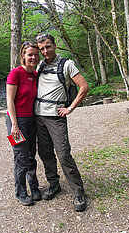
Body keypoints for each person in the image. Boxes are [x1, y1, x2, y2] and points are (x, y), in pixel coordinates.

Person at [35, 34, 89, 211]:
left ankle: (78, 191)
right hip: (39, 116)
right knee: (45, 153)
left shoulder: (66, 64)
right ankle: (54, 184)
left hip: (56, 117)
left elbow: (84, 87)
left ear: (55, 46)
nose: (45, 51)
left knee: (63, 154)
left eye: (48, 47)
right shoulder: (41, 64)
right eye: (42, 48)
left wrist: (70, 108)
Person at [6, 41, 41, 206]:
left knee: (31, 155)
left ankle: (34, 187)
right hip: (15, 121)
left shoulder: (35, 75)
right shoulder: (15, 73)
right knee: (20, 157)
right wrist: (14, 124)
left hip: (31, 120)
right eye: (30, 54)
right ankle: (20, 191)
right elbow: (9, 100)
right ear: (23, 55)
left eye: (35, 54)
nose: (33, 57)